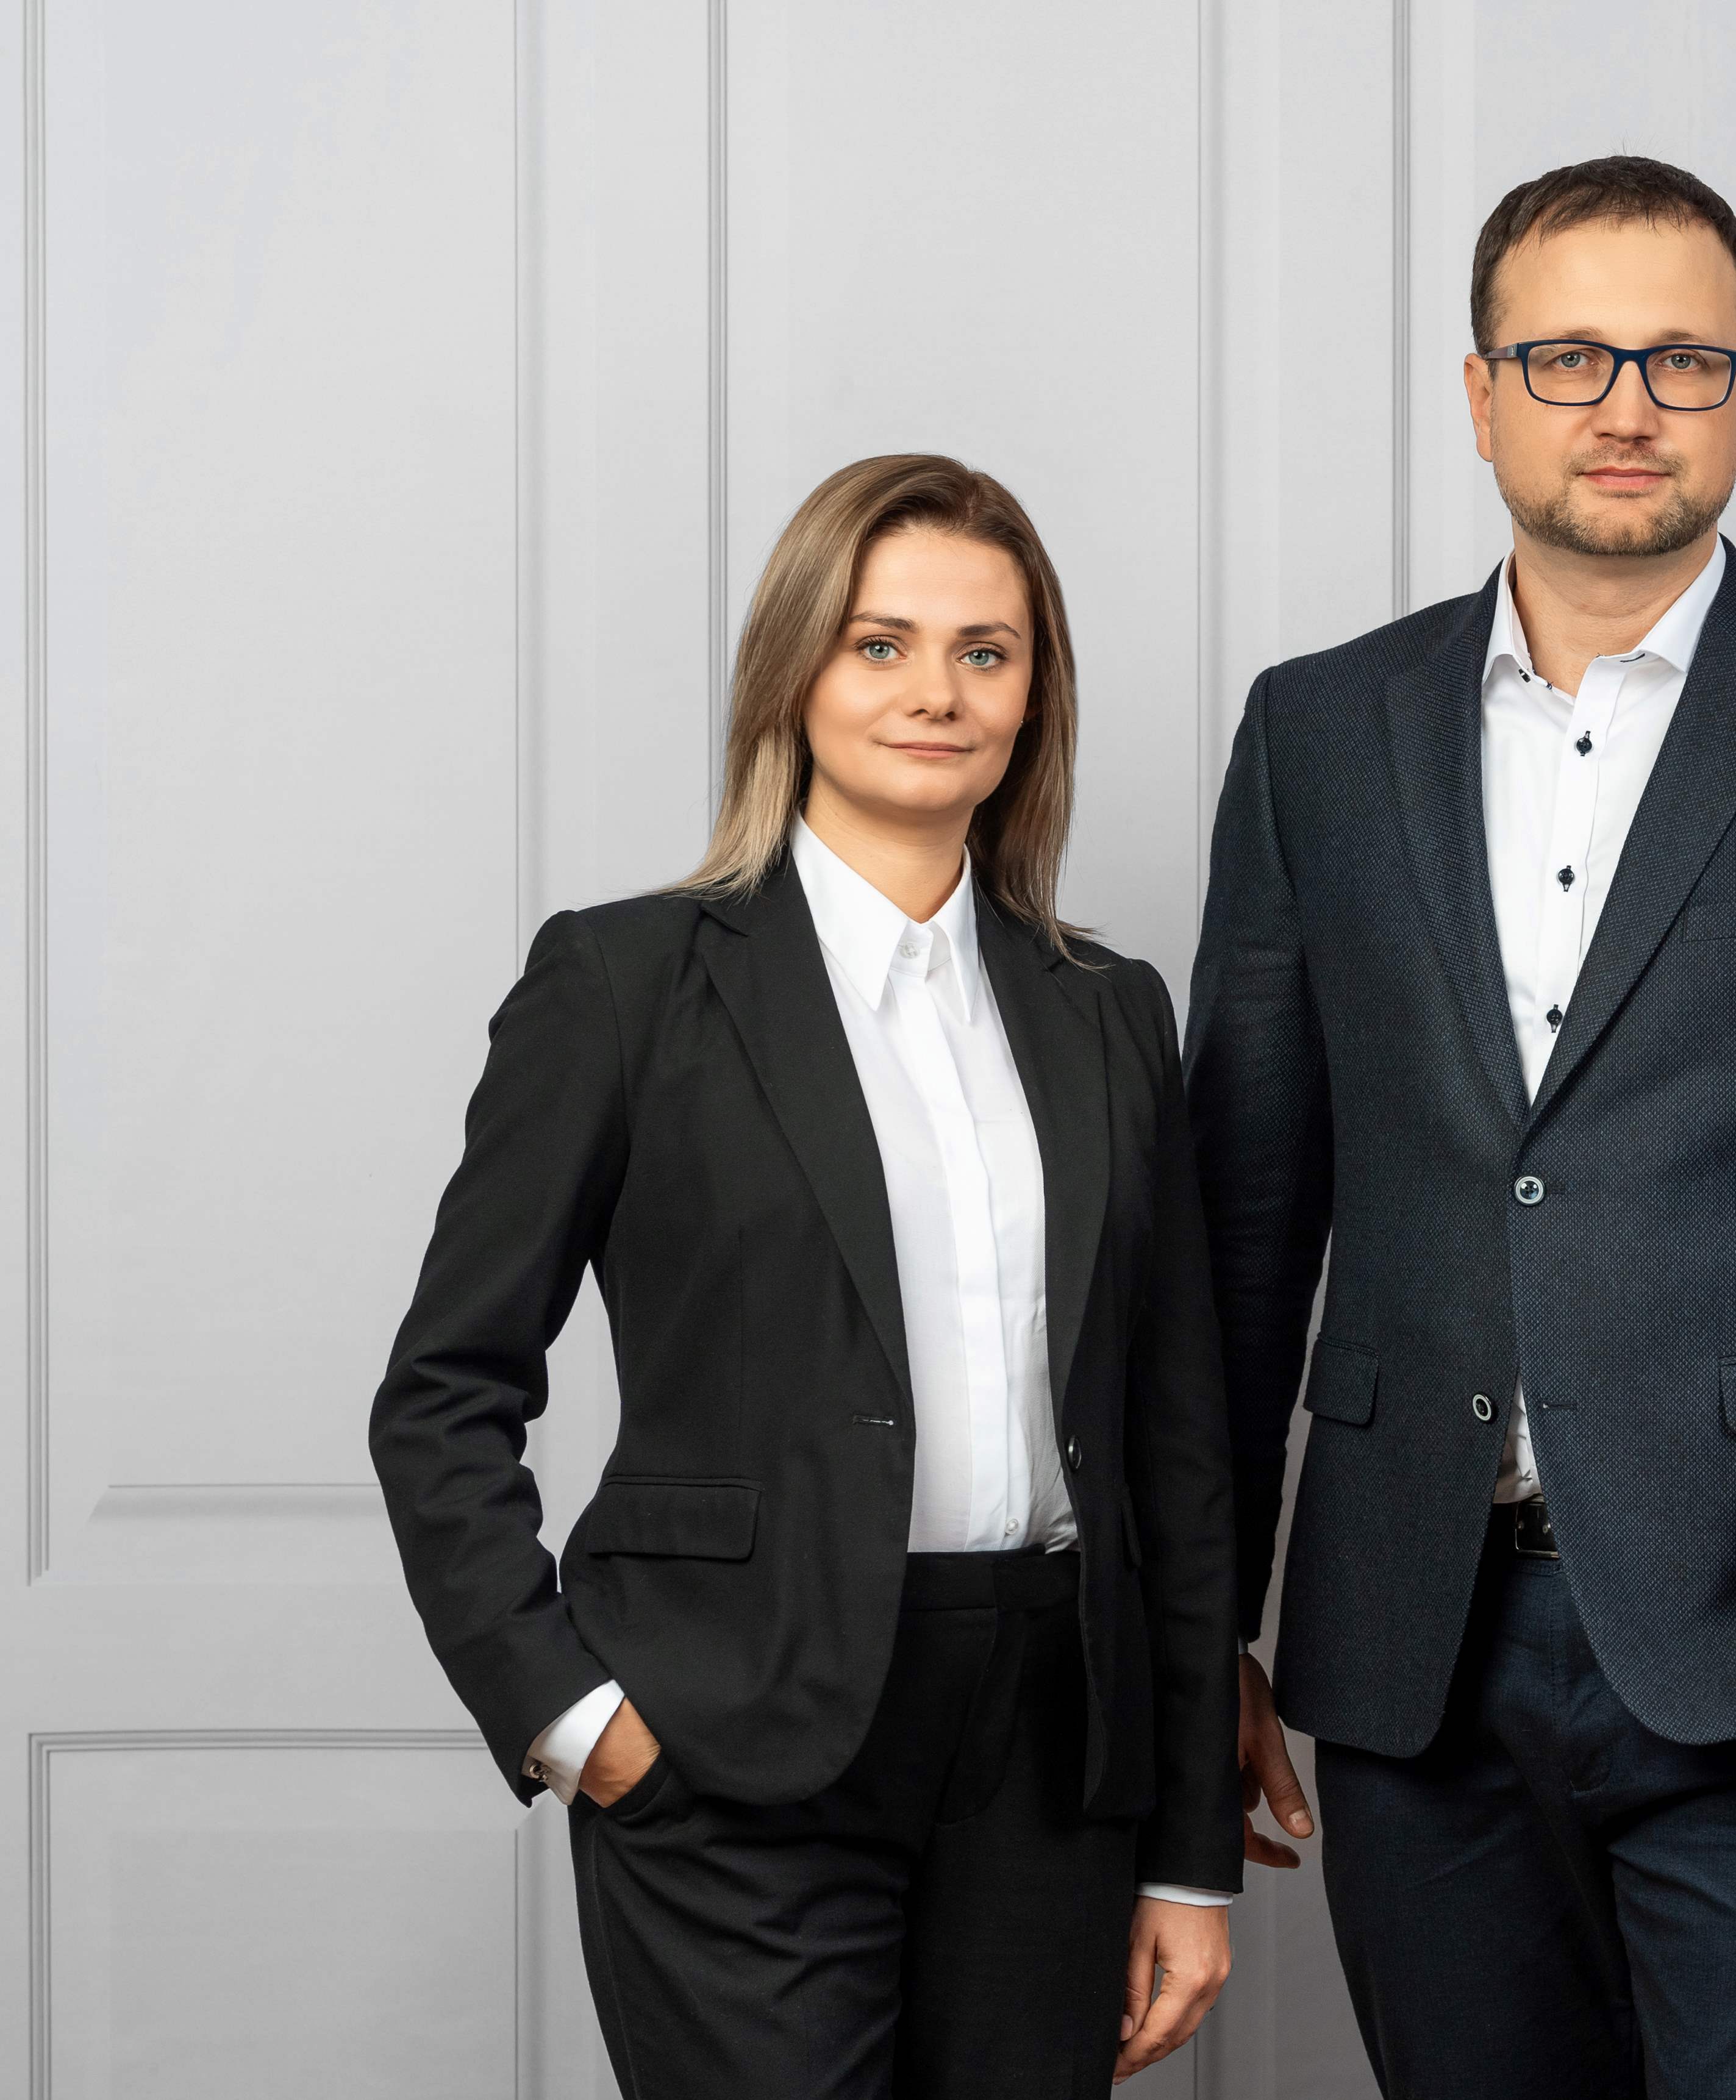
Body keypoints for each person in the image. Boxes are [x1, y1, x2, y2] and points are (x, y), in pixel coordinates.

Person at [1186, 156, 1736, 2098]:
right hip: (1416, 1650)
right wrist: (1206, 1629)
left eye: (1683, 361)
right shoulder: (1317, 733)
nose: (1624, 404)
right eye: (1568, 355)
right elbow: (1244, 1229)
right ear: (1481, 391)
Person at [370, 454, 1241, 2097]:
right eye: (879, 642)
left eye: (986, 651)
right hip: (729, 1738)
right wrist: (575, 1721)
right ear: (795, 671)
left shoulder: (1109, 1010)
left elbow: (1174, 1454)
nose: (936, 692)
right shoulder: (625, 983)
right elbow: (442, 1396)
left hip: (1052, 1750)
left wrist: (1192, 1852)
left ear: (1034, 694)